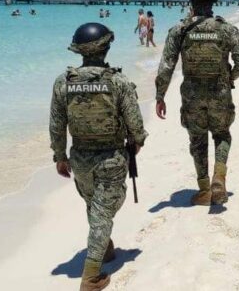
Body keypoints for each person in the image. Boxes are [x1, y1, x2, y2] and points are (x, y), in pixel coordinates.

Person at [49, 23, 147, 290]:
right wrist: (137, 141)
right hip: (110, 157)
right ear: (106, 48)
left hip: (79, 157)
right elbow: (134, 122)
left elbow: (57, 125)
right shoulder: (117, 81)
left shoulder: (64, 82)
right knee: (104, 210)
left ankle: (104, 248)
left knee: (93, 205)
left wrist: (59, 156)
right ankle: (91, 276)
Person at [155, 0, 239, 206]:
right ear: (214, 0)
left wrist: (160, 95)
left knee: (197, 140)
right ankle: (220, 175)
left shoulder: (180, 30)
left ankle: (205, 189)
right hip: (220, 93)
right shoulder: (226, 29)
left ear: (190, 0)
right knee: (222, 134)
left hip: (192, 95)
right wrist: (230, 78)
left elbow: (166, 66)